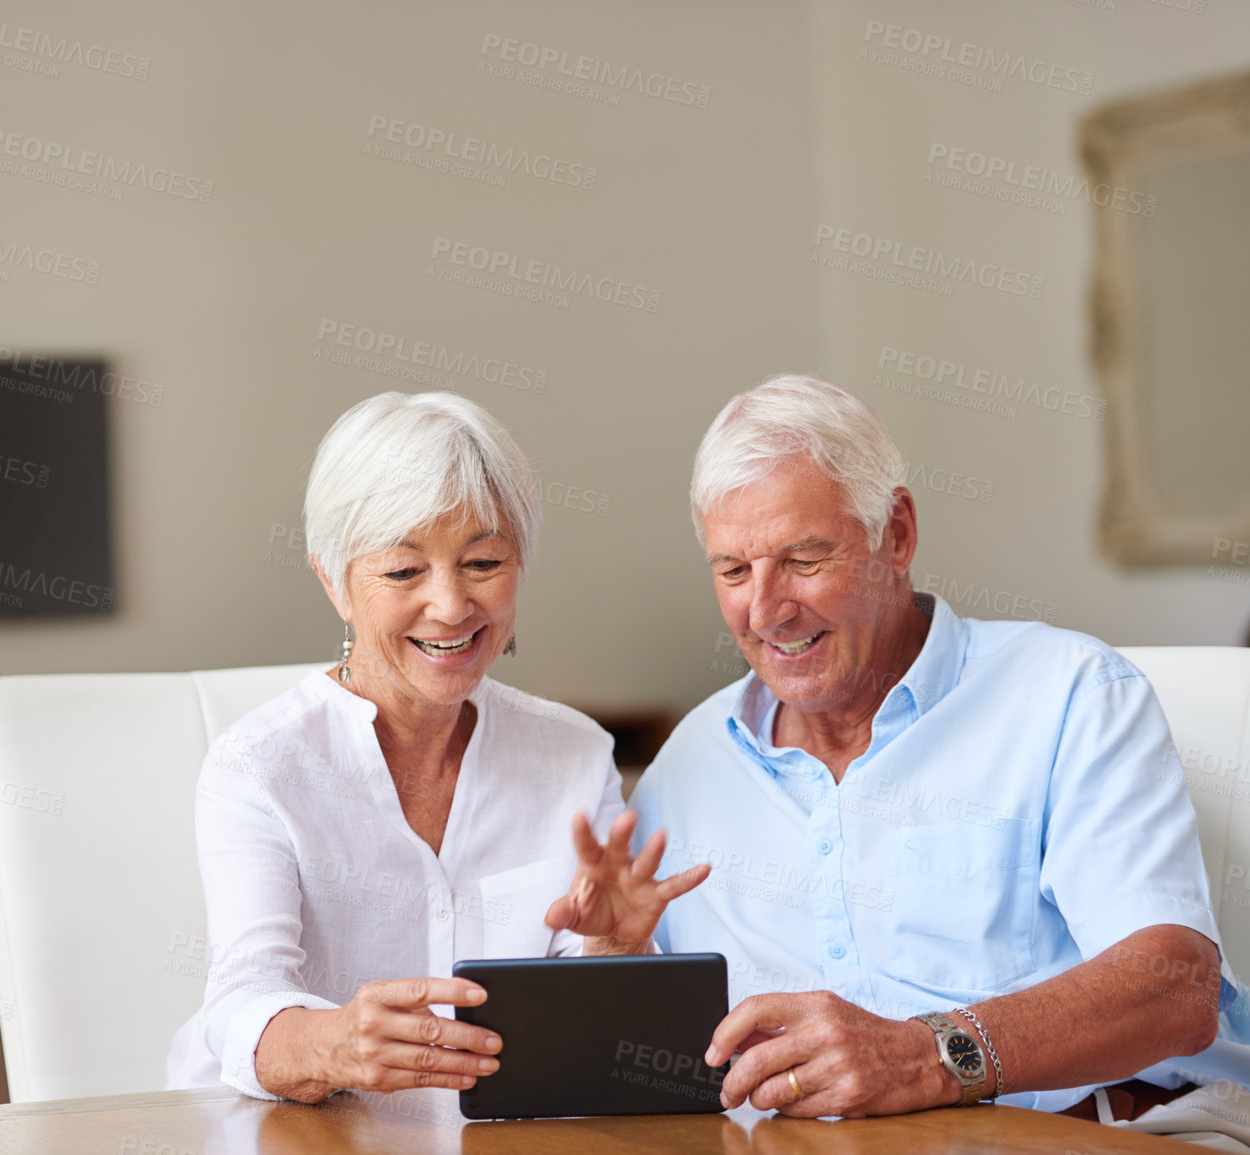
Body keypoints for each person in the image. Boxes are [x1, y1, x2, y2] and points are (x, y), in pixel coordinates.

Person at [631, 374, 1250, 1119]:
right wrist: (604, 956)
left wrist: (927, 1054)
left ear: (896, 533)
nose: (764, 610)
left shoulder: (1070, 693)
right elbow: (635, 1034)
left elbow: (1173, 989)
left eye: (802, 559)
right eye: (733, 570)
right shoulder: (691, 759)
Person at [165, 391, 705, 1102]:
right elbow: (240, 997)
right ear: (334, 580)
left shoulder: (572, 752)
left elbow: (596, 1034)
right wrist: (332, 1044)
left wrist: (612, 952)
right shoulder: (259, 765)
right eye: (402, 571)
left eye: (482, 562)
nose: (451, 605)